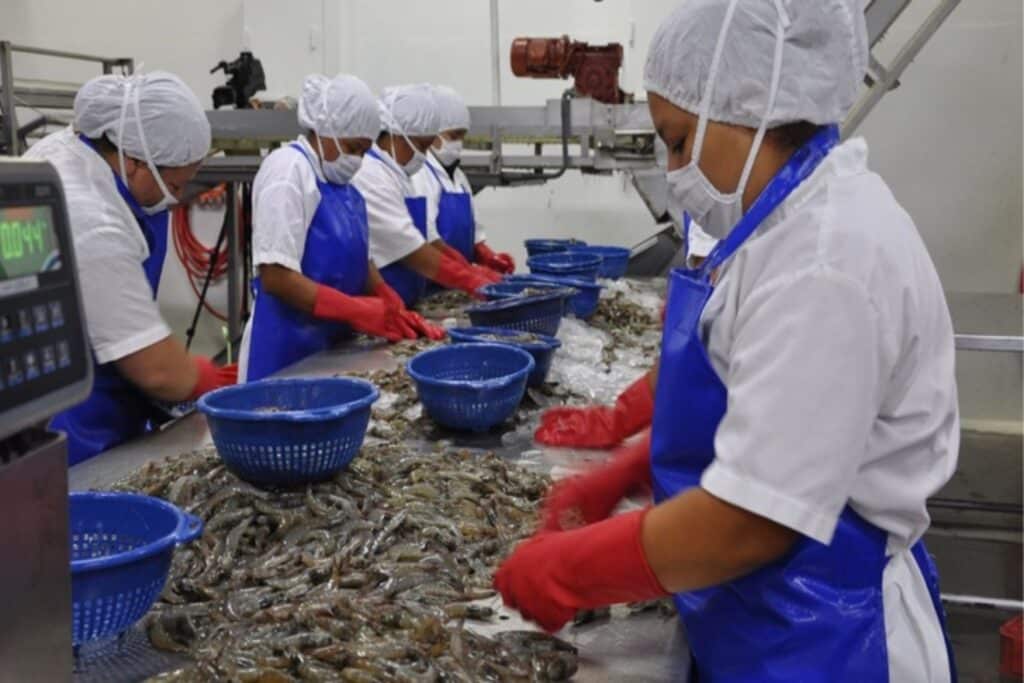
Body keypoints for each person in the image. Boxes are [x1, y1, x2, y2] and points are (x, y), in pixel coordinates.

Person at [495, 2, 959, 681]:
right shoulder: (778, 227)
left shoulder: (823, 262)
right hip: (765, 615)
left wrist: (570, 570)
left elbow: (749, 523)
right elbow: (752, 386)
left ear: (752, 106)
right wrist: (631, 464)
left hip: (830, 635)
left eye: (679, 141)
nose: (674, 169)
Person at [24, 72, 237, 465]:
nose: (176, 198)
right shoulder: (91, 218)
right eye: (175, 185)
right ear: (136, 162)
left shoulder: (81, 148)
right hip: (69, 424)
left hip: (95, 374)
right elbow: (156, 371)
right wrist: (207, 377)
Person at [238, 74, 444, 382]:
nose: (357, 160)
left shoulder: (345, 186)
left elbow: (357, 258)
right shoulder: (288, 170)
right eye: (352, 147)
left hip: (330, 349)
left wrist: (385, 295)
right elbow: (276, 277)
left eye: (363, 151)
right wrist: (358, 311)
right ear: (327, 129)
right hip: (284, 352)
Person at [353, 84, 500, 309]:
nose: (423, 155)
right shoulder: (372, 175)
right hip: (385, 300)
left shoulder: (401, 174)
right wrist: (469, 278)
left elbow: (425, 238)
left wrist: (474, 267)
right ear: (395, 135)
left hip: (408, 296)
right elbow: (411, 249)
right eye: (421, 146)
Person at [410, 85, 515, 274]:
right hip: (433, 279)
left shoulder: (459, 177)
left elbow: (475, 234)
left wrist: (489, 257)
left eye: (462, 136)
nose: (458, 143)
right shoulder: (420, 174)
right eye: (453, 136)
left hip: (459, 280)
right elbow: (427, 237)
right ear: (432, 134)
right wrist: (464, 269)